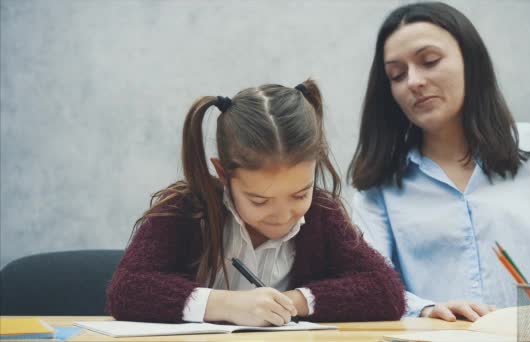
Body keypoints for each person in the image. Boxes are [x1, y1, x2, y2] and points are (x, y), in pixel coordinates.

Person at [348, 2, 530, 322]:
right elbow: (370, 283)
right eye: (397, 75)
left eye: (429, 61)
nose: (413, 81)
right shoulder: (379, 188)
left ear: (471, 61)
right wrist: (424, 308)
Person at [106, 80, 405, 326]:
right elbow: (128, 290)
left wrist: (289, 303)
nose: (282, 215)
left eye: (300, 194)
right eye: (259, 200)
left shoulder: (321, 215)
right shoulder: (185, 210)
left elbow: (386, 292)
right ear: (223, 173)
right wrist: (227, 305)